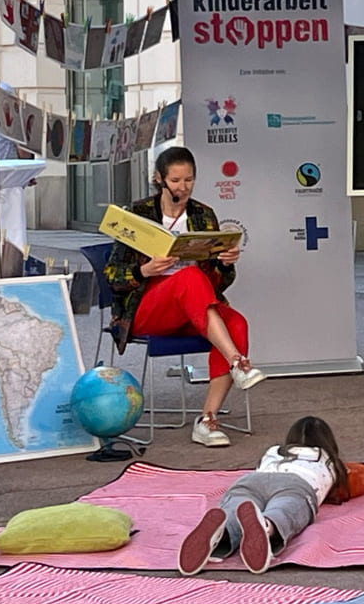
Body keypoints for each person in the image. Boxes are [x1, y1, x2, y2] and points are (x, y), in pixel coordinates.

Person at [104, 145, 266, 448]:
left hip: (193, 306)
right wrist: (146, 270)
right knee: (189, 277)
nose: (183, 187)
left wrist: (223, 263)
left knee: (238, 323)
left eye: (189, 180)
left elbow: (220, 283)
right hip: (145, 305)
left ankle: (207, 420)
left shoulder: (203, 215)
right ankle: (237, 361)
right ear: (159, 179)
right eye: (176, 181)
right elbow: (111, 275)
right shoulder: (137, 213)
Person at [178, 416, 349, 575]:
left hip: (252, 480)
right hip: (296, 483)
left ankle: (223, 530)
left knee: (237, 505)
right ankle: (267, 525)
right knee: (284, 510)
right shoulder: (329, 460)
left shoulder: (274, 451)